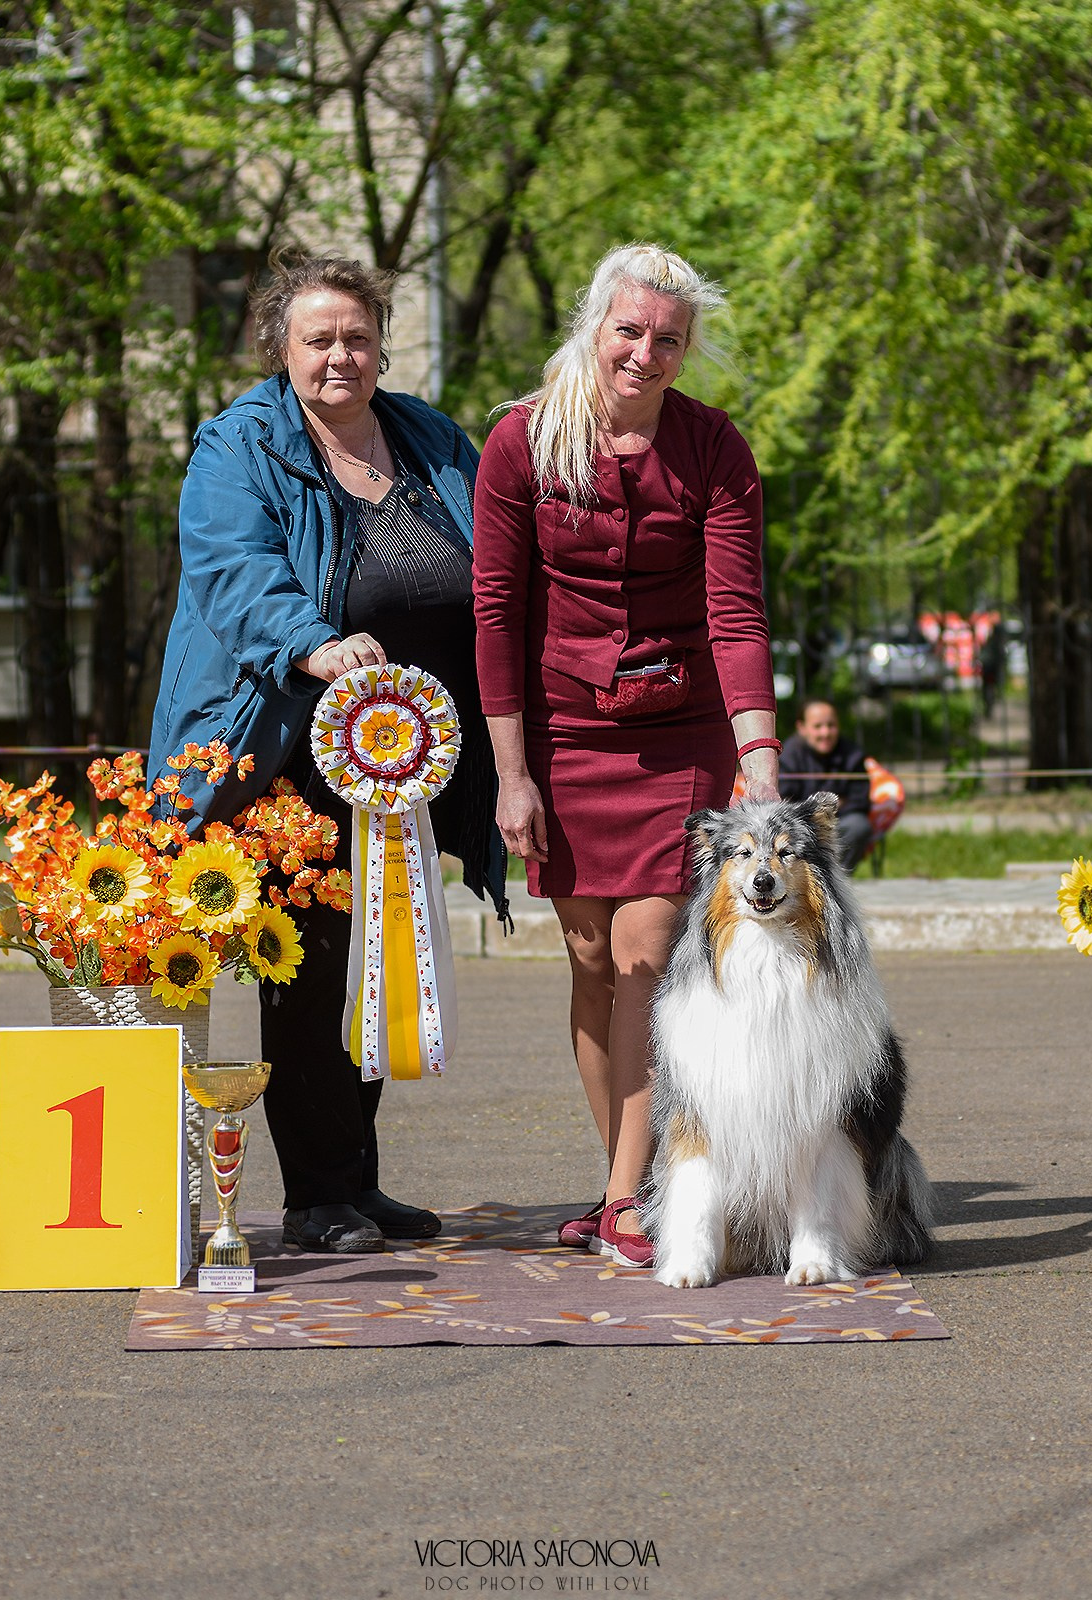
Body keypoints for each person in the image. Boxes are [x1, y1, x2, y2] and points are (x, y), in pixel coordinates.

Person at [149, 251, 508, 1255]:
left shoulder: (429, 435)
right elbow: (233, 569)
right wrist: (312, 641)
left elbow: (496, 545)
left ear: (381, 344)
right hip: (289, 748)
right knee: (308, 972)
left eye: (357, 337)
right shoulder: (238, 444)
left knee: (382, 956)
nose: (339, 356)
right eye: (318, 340)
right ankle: (316, 1196)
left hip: (407, 752)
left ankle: (358, 1179)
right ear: (280, 346)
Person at [472, 243, 778, 1268]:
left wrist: (758, 757)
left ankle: (621, 1201)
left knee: (647, 957)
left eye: (668, 340)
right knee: (592, 961)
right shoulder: (520, 441)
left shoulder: (715, 448)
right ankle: (636, 1179)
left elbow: (735, 614)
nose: (645, 353)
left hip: (678, 732)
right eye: (630, 331)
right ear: (594, 327)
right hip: (561, 734)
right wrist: (511, 774)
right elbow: (496, 612)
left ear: (687, 351)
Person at [778, 698, 872, 871]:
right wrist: (814, 815)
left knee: (860, 825)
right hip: (800, 825)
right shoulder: (788, 756)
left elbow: (861, 800)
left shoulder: (853, 754)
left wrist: (830, 813)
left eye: (831, 725)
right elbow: (783, 802)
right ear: (802, 728)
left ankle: (836, 876)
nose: (825, 733)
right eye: (817, 726)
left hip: (840, 823)